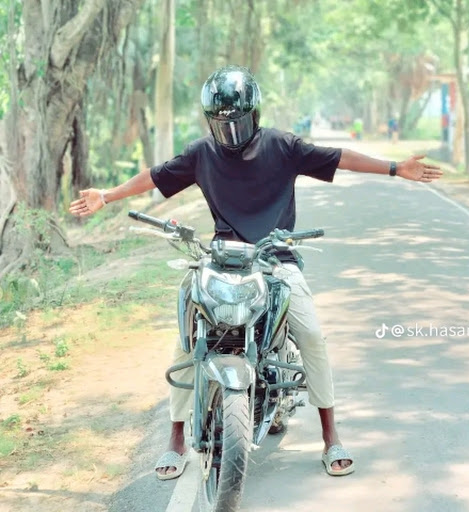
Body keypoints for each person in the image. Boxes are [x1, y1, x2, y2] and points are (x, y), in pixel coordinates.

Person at [69, 65, 443, 480]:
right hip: (223, 258)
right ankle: (175, 439)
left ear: (255, 115)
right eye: (221, 123)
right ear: (210, 121)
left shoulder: (283, 146)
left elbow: (339, 158)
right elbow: (156, 177)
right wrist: (107, 195)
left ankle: (331, 436)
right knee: (189, 338)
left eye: (239, 121)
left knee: (311, 335)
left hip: (275, 259)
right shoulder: (201, 153)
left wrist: (395, 167)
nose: (230, 131)